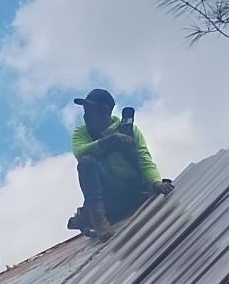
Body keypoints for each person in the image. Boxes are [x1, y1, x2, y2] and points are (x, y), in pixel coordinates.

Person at [68, 88, 173, 241]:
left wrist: (156, 182)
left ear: (105, 111)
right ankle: (99, 222)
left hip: (134, 190)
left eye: (91, 111)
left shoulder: (129, 131)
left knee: (127, 145)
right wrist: (106, 142)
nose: (86, 116)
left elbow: (144, 158)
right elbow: (79, 152)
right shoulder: (82, 133)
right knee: (86, 162)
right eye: (85, 111)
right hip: (109, 196)